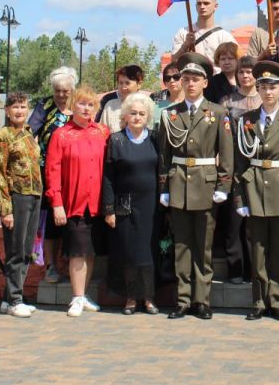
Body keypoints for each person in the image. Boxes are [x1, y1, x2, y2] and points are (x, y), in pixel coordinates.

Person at [158, 54, 234, 321]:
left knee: (203, 246)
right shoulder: (170, 114)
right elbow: (164, 155)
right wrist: (164, 187)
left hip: (205, 183)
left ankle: (201, 299)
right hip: (179, 183)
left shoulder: (218, 113)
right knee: (182, 245)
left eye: (195, 79)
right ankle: (182, 299)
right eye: (186, 79)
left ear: (205, 83)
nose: (190, 84)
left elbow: (226, 154)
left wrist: (223, 185)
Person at [233, 62, 279, 322]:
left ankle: (278, 300)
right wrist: (239, 197)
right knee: (257, 249)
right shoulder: (246, 120)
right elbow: (239, 162)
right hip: (253, 188)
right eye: (263, 87)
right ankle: (259, 301)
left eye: (273, 87)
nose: (268, 92)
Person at [45, 86, 110, 318]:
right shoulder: (61, 135)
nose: (86, 108)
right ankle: (76, 296)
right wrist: (57, 203)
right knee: (77, 251)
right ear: (73, 105)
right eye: (82, 103)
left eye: (91, 105)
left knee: (90, 251)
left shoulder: (102, 132)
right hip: (74, 202)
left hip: (98, 203)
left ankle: (83, 295)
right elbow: (52, 170)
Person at [102, 92, 161, 316]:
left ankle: (148, 298)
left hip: (151, 205)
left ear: (148, 116)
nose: (137, 117)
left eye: (141, 114)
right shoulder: (116, 140)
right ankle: (130, 298)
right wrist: (109, 209)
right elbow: (108, 177)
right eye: (133, 113)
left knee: (148, 252)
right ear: (125, 115)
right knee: (128, 252)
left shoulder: (155, 138)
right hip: (124, 204)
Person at [0, 91, 43, 318]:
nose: (19, 111)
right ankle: (15, 300)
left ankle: (10, 297)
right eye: (15, 107)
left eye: (23, 107)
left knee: (26, 249)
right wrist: (6, 209)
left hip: (34, 194)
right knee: (15, 250)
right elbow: (0, 173)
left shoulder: (29, 132)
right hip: (17, 196)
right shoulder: (4, 135)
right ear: (7, 110)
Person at [28, 65, 77, 284]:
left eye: (66, 91)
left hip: (75, 170)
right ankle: (50, 266)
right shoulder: (45, 106)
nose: (61, 95)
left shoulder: (79, 105)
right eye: (57, 90)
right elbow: (30, 132)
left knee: (73, 220)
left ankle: (70, 265)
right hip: (48, 169)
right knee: (51, 220)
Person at [217, 55, 260, 283]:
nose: (245, 76)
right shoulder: (227, 101)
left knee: (254, 224)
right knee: (234, 223)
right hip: (233, 165)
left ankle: (254, 271)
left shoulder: (264, 99)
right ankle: (235, 270)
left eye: (249, 71)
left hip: (258, 166)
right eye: (241, 72)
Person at [170, 0, 237, 67]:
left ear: (215, 6)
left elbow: (237, 62)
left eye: (206, 3)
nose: (202, 6)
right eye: (199, 3)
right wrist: (185, 45)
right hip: (190, 74)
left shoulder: (225, 36)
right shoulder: (183, 32)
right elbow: (173, 62)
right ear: (196, 6)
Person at [98, 65, 145, 133]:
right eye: (121, 83)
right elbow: (102, 132)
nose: (123, 87)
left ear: (139, 84)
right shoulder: (110, 105)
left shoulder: (147, 105)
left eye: (127, 83)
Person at [154, 62, 186, 127]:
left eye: (176, 77)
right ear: (165, 82)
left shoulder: (191, 104)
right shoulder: (157, 106)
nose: (171, 80)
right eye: (168, 78)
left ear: (184, 79)